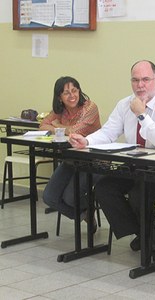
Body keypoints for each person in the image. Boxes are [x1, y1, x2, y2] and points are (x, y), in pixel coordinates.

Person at [69, 60, 155, 261]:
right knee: (104, 188)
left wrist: (141, 115)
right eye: (135, 80)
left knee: (138, 195)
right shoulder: (125, 103)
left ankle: (147, 238)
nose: (140, 85)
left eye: (146, 80)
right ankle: (145, 234)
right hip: (135, 165)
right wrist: (86, 140)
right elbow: (108, 132)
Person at [41, 76, 101, 223]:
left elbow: (76, 131)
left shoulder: (90, 107)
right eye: (66, 93)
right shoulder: (60, 110)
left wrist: (57, 125)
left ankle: (85, 208)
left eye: (74, 91)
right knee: (49, 197)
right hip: (71, 160)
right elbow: (43, 125)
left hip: (93, 162)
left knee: (70, 197)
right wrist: (58, 127)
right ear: (59, 97)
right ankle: (84, 213)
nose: (72, 95)